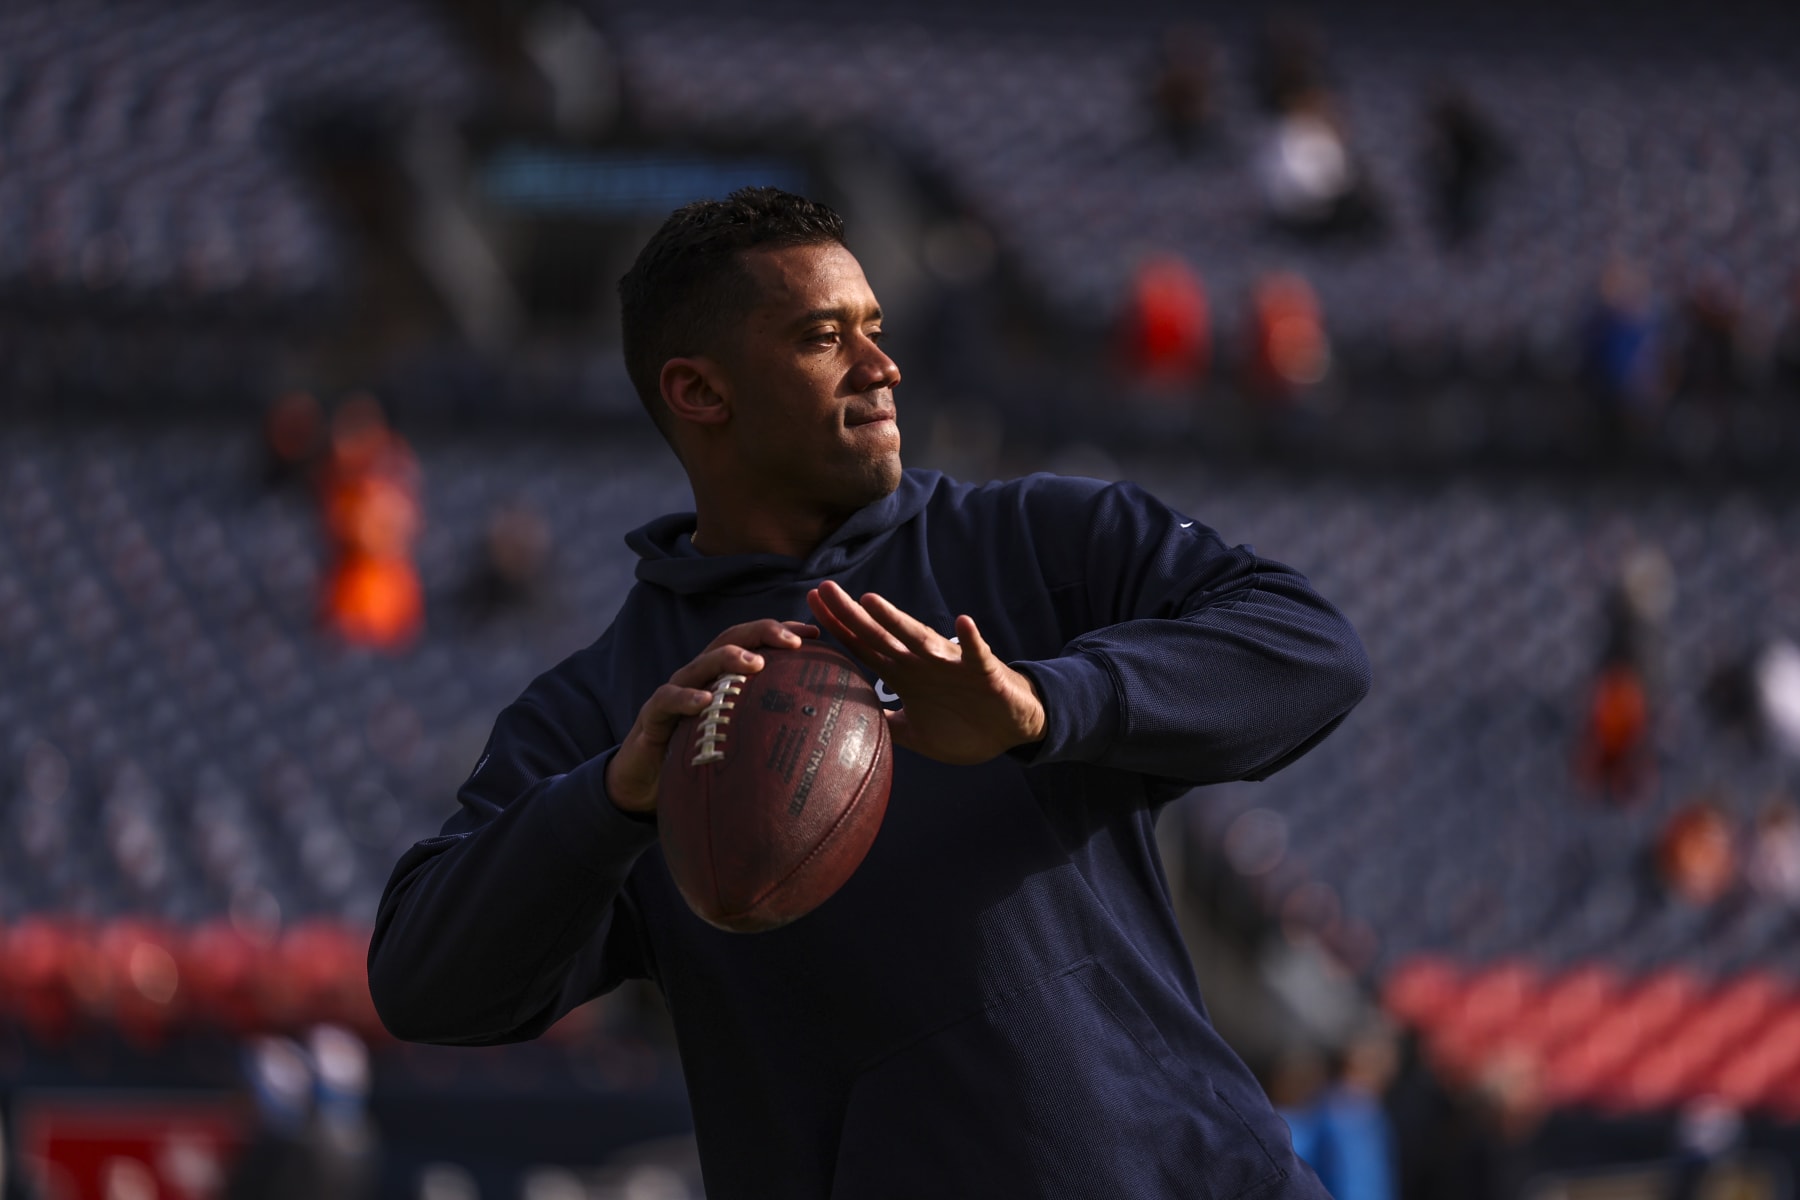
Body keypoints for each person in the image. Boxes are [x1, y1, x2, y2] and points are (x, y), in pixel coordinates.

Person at [367, 189, 1370, 1197]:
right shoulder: (613, 709)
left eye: (877, 331)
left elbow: (1313, 649)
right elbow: (421, 985)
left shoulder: (1037, 542)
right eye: (823, 337)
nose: (883, 367)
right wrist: (610, 803)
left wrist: (1038, 705)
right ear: (700, 392)